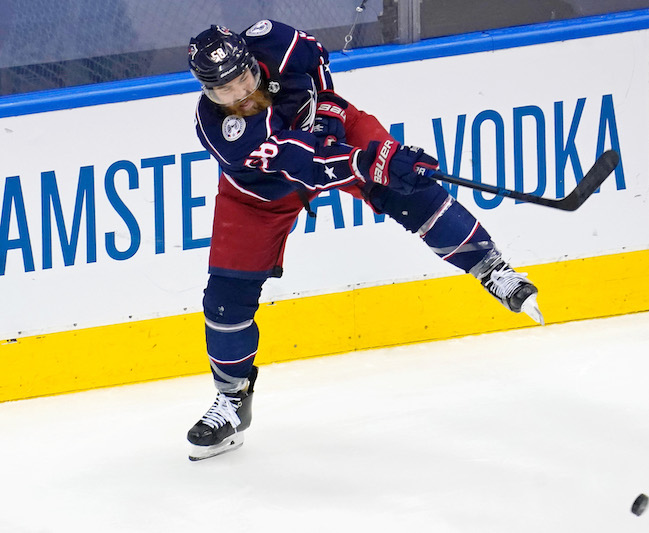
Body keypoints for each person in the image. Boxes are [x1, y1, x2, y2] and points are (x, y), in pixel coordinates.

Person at [185, 20, 544, 461]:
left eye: (241, 79)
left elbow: (317, 69)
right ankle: (233, 401)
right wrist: (368, 161)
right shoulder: (222, 132)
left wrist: (335, 116)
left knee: (409, 186)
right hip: (259, 195)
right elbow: (310, 166)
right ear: (205, 91)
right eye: (222, 91)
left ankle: (493, 270)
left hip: (330, 136)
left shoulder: (277, 40)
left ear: (250, 61)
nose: (237, 95)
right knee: (224, 301)